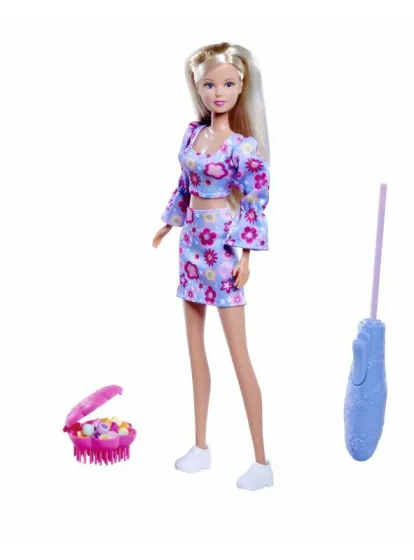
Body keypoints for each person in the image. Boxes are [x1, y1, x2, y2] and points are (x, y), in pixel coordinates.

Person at [152, 42, 272, 491]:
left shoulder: (242, 147)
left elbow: (255, 201)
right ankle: (200, 446)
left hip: (222, 245)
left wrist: (246, 256)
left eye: (227, 84)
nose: (218, 92)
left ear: (241, 87)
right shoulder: (192, 135)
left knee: (239, 355)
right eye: (208, 84)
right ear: (197, 87)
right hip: (190, 245)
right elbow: (184, 184)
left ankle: (261, 461)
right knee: (195, 349)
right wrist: (168, 224)